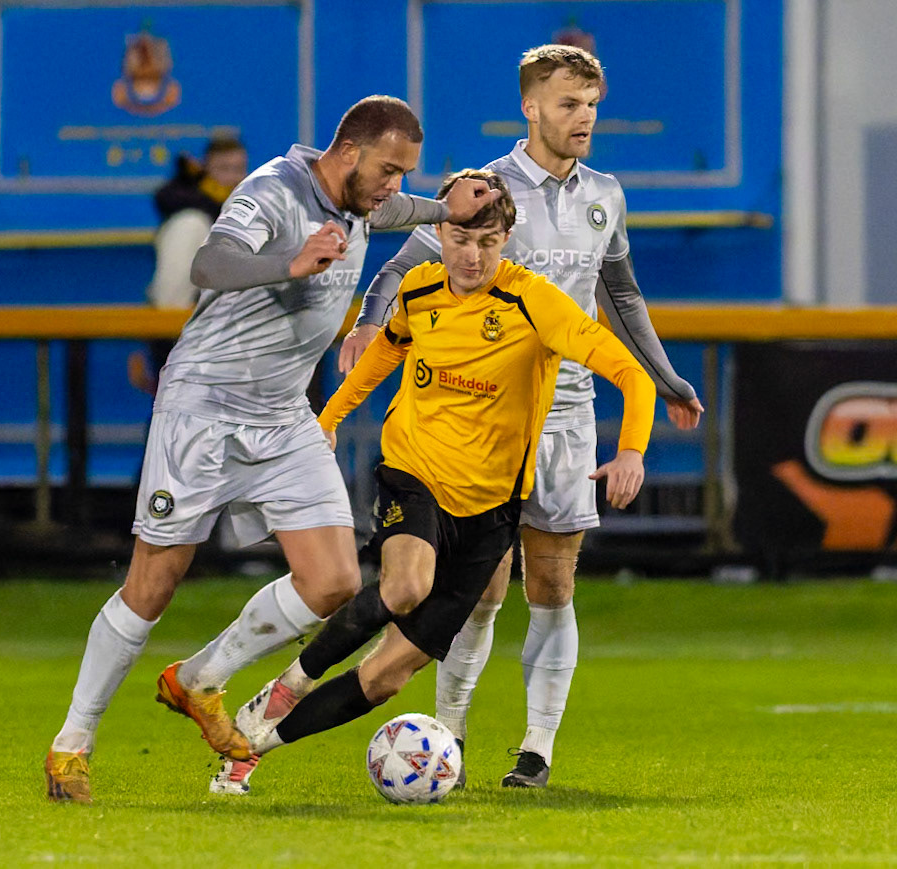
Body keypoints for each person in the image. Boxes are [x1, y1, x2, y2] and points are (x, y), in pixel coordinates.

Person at [44, 95, 500, 803]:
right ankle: (72, 743)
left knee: (334, 580)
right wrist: (289, 263)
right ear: (348, 152)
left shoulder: (359, 201)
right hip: (203, 408)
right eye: (388, 170)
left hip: (282, 413)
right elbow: (211, 263)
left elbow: (390, 212)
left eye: (403, 173)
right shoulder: (271, 191)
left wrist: (445, 208)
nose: (392, 185)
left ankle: (197, 679)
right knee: (153, 583)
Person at [336, 45, 703, 789]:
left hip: (567, 416)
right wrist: (369, 323)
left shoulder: (606, 194)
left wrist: (664, 379)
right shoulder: (482, 190)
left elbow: (621, 296)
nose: (584, 120)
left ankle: (535, 748)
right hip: (484, 413)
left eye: (592, 106)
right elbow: (399, 266)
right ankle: (452, 735)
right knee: (479, 587)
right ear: (531, 107)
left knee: (554, 582)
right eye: (569, 105)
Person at [225, 169, 657, 769]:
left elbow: (631, 375)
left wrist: (631, 449)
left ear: (506, 238)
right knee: (405, 586)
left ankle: (251, 746)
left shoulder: (536, 303)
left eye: (486, 242)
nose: (472, 256)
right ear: (442, 234)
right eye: (459, 239)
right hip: (415, 473)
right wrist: (329, 416)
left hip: (492, 509)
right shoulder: (420, 290)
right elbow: (386, 350)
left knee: (386, 678)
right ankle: (289, 683)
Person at [130, 137, 248, 395]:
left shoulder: (251, 209)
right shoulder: (190, 217)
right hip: (187, 345)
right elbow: (169, 301)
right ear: (207, 170)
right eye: (223, 168)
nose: (231, 177)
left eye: (238, 169)